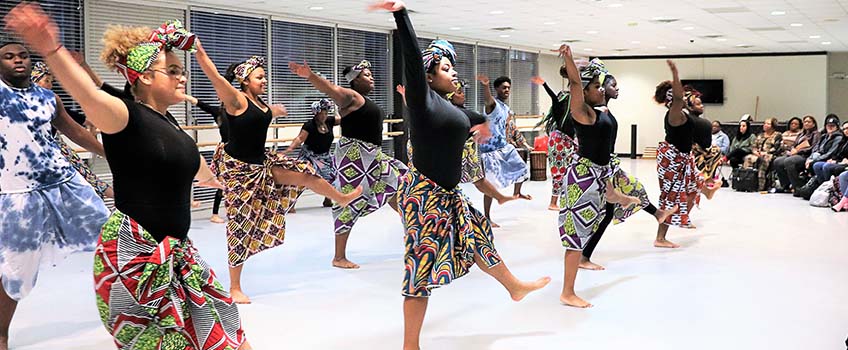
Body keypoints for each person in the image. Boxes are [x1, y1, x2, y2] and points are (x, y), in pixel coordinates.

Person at [5, 7, 250, 348]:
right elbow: (87, 95)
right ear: (145, 77)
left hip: (177, 254)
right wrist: (51, 49)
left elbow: (186, 162)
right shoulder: (123, 116)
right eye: (174, 70)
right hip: (134, 258)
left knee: (226, 331)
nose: (182, 77)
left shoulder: (169, 123)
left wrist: (213, 179)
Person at [375, 2, 551, 349]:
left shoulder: (447, 105)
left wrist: (483, 124)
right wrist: (401, 14)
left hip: (448, 194)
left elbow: (466, 116)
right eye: (444, 68)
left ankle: (514, 287)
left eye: (453, 67)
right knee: (420, 270)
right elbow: (411, 57)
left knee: (480, 236)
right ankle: (411, 345)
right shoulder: (423, 101)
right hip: (424, 198)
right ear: (427, 76)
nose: (453, 72)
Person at [196, 47, 362, 303]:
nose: (264, 80)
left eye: (264, 77)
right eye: (259, 77)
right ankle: (234, 287)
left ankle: (340, 198)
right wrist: (198, 50)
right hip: (240, 172)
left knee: (306, 173)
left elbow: (259, 116)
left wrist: (275, 110)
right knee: (240, 227)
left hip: (262, 163)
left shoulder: (259, 102)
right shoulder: (236, 100)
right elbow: (215, 76)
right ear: (245, 81)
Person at [0, 33, 110, 350]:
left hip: (64, 183)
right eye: (9, 56)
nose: (18, 59)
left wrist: (108, 153)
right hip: (18, 194)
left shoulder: (47, 98)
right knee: (17, 271)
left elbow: (72, 130)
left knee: (112, 232)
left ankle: (133, 306)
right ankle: (2, 332)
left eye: (23, 54)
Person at [288, 58, 408, 269]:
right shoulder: (351, 97)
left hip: (373, 156)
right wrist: (311, 76)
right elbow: (331, 89)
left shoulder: (363, 100)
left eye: (371, 75)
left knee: (396, 184)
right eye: (366, 76)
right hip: (355, 157)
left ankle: (414, 232)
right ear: (355, 81)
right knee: (349, 201)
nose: (371, 78)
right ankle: (339, 256)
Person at [553, 45, 640, 307]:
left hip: (600, 173)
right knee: (576, 236)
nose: (601, 89)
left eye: (602, 86)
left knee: (602, 213)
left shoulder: (601, 112)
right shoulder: (583, 113)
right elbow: (576, 85)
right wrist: (569, 60)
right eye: (596, 86)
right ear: (584, 92)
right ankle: (567, 292)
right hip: (583, 178)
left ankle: (618, 196)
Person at [399, 82, 517, 205]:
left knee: (476, 179)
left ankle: (498, 198)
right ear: (451, 96)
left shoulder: (455, 112)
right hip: (438, 151)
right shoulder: (444, 111)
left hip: (460, 148)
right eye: (459, 93)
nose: (463, 96)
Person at [29, 61, 114, 199]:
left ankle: (121, 202)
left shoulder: (52, 102)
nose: (50, 85)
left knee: (87, 178)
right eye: (46, 81)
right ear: (35, 81)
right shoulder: (21, 103)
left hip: (57, 148)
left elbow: (81, 125)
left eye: (51, 81)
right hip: (37, 157)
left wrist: (94, 131)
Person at [653, 59, 703, 248]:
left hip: (683, 157)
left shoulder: (681, 112)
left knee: (696, 184)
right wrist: (675, 73)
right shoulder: (674, 113)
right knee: (670, 196)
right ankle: (660, 237)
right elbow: (679, 97)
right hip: (673, 159)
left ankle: (684, 218)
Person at [477, 74, 531, 227]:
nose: (507, 90)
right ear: (497, 89)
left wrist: (523, 143)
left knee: (522, 168)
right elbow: (488, 99)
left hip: (504, 146)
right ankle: (487, 217)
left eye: (509, 88)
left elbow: (509, 127)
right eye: (504, 88)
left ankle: (517, 192)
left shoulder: (506, 108)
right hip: (490, 150)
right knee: (491, 185)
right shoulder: (492, 105)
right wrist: (485, 86)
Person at [532, 75, 577, 211]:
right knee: (559, 172)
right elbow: (554, 98)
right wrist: (545, 84)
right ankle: (553, 203)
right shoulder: (559, 111)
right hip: (559, 142)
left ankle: (565, 199)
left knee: (570, 171)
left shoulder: (572, 113)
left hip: (567, 142)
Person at [285, 98, 339, 208]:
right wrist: (290, 149)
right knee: (301, 177)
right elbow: (300, 138)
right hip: (309, 155)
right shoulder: (309, 125)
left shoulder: (329, 121)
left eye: (326, 113)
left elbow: (344, 119)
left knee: (331, 176)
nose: (324, 116)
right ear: (316, 114)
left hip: (324, 156)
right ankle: (291, 203)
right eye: (321, 113)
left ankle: (327, 199)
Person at [772, 115, 820, 193]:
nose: (806, 123)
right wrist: (792, 150)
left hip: (806, 155)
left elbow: (814, 148)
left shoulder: (816, 134)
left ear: (814, 124)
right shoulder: (801, 134)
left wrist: (798, 151)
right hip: (795, 154)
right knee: (778, 161)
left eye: (809, 122)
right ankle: (786, 185)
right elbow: (794, 145)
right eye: (805, 122)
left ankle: (797, 187)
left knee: (789, 161)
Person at [799, 115, 845, 196]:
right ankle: (820, 186)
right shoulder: (824, 136)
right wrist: (809, 159)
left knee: (821, 165)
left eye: (832, 126)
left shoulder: (839, 137)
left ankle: (827, 187)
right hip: (821, 156)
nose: (830, 127)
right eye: (828, 125)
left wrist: (814, 160)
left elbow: (831, 152)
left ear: (837, 127)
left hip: (829, 158)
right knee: (815, 159)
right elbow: (816, 148)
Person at [742, 117, 783, 191]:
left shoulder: (778, 135)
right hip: (758, 153)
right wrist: (755, 152)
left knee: (763, 160)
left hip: (770, 154)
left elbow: (777, 148)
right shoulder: (760, 135)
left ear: (773, 126)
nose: (765, 125)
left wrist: (765, 153)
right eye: (764, 123)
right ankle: (747, 182)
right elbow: (754, 146)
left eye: (768, 124)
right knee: (748, 158)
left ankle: (761, 185)